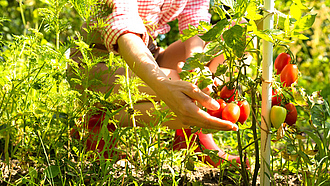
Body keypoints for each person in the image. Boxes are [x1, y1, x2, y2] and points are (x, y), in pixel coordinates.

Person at [68, 0, 246, 167]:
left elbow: (194, 19)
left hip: (149, 54)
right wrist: (166, 85)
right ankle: (94, 120)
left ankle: (192, 138)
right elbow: (124, 29)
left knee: (235, 34)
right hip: (100, 65)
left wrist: (195, 67)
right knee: (188, 94)